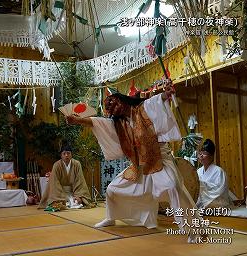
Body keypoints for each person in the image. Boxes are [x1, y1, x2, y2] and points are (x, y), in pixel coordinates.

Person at [66, 81, 200, 242]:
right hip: (139, 166)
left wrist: (166, 93)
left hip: (159, 160)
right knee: (112, 189)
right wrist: (78, 120)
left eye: (114, 103)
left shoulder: (143, 109)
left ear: (122, 100)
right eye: (110, 107)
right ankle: (111, 217)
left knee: (173, 187)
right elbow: (97, 122)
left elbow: (158, 101)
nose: (113, 108)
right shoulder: (119, 124)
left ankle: (194, 229)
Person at [38, 145, 92, 209]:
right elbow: (55, 183)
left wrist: (78, 196)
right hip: (60, 194)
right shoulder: (57, 165)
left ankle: (71, 201)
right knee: (60, 203)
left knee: (78, 201)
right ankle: (66, 202)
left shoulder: (77, 164)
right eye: (64, 153)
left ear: (71, 155)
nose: (66, 155)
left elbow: (80, 181)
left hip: (73, 193)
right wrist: (62, 197)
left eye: (68, 153)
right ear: (61, 155)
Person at [196, 139, 233, 209]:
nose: (201, 156)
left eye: (204, 153)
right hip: (201, 203)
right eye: (200, 153)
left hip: (215, 202)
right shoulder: (198, 171)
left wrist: (203, 186)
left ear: (212, 155)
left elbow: (220, 192)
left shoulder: (219, 171)